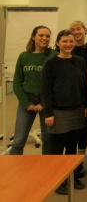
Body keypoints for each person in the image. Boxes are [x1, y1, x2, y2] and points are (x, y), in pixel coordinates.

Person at [41, 29, 87, 194]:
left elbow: (84, 87)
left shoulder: (80, 61)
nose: (68, 44)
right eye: (65, 41)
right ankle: (58, 181)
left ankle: (72, 177)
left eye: (71, 41)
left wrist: (86, 106)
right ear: (58, 43)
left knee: (72, 148)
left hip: (77, 111)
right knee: (57, 149)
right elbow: (45, 91)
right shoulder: (51, 63)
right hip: (58, 113)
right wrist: (49, 114)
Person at [10, 26, 56, 155]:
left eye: (47, 36)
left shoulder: (53, 55)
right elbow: (17, 83)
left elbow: (56, 83)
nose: (44, 38)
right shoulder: (24, 56)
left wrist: (45, 103)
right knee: (18, 140)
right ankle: (14, 171)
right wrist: (26, 103)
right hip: (28, 100)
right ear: (33, 37)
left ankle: (48, 170)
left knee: (47, 138)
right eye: (41, 35)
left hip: (46, 101)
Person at [69, 21, 87, 178]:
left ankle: (80, 162)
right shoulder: (65, 49)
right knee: (72, 131)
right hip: (70, 96)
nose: (76, 32)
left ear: (85, 30)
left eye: (79, 29)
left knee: (84, 130)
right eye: (73, 30)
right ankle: (71, 163)